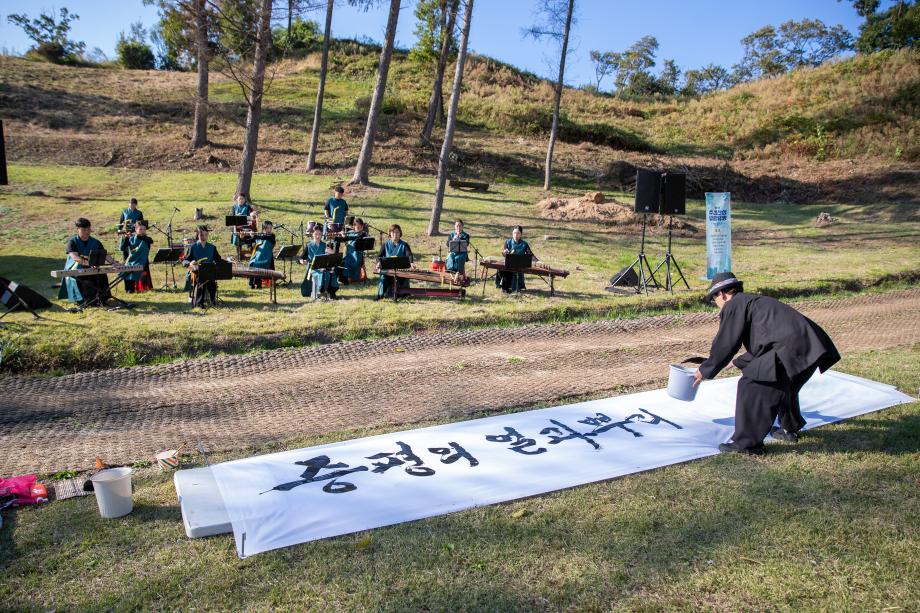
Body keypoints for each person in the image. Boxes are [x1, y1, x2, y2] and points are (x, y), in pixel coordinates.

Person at [693, 272, 841, 455]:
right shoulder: (755, 303)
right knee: (785, 385)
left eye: (713, 298)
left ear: (722, 294)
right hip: (812, 347)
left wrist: (705, 369)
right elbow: (764, 344)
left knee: (752, 384)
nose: (716, 304)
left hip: (788, 349)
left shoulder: (734, 304)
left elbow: (726, 342)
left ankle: (747, 444)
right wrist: (736, 362)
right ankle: (788, 429)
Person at [59, 217, 117, 306]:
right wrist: (89, 264)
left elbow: (104, 254)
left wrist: (114, 262)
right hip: (76, 269)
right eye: (84, 229)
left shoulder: (95, 242)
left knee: (102, 276)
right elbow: (75, 257)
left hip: (91, 267)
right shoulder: (72, 242)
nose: (87, 231)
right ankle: (88, 301)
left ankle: (103, 298)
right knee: (87, 280)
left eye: (88, 229)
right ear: (78, 229)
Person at [183, 225, 224, 307]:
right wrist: (190, 263)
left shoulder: (212, 247)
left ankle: (212, 301)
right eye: (201, 235)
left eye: (205, 234)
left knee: (212, 283)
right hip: (197, 271)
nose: (203, 237)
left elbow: (218, 260)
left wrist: (228, 263)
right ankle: (199, 302)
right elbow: (185, 261)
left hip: (209, 271)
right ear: (198, 235)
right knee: (201, 281)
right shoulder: (193, 247)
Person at [376, 224, 414, 300]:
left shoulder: (404, 245)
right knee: (384, 277)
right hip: (388, 270)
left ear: (400, 233)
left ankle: (403, 294)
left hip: (400, 270)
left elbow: (409, 255)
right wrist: (378, 262)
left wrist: (411, 262)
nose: (395, 235)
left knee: (404, 277)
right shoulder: (385, 244)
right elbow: (379, 256)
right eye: (393, 232)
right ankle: (380, 295)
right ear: (390, 233)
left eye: (397, 232)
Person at [300, 225, 338, 300]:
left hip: (323, 266)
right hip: (313, 268)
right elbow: (301, 257)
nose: (317, 236)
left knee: (331, 272)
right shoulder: (309, 245)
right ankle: (321, 290)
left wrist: (332, 252)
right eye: (316, 234)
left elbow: (332, 257)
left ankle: (331, 292)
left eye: (319, 234)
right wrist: (302, 261)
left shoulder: (324, 245)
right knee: (322, 273)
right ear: (312, 235)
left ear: (322, 235)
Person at [497, 225, 534, 293]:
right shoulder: (508, 242)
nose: (516, 235)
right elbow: (504, 254)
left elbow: (531, 255)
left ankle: (507, 287)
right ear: (512, 233)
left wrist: (539, 262)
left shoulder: (524, 244)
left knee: (510, 270)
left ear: (521, 234)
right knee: (500, 268)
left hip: (519, 265)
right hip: (508, 264)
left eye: (518, 233)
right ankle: (505, 287)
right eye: (514, 233)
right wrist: (504, 252)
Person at [123, 219, 154, 293]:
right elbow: (123, 248)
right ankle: (130, 288)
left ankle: (143, 287)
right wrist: (126, 238)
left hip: (143, 261)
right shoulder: (131, 238)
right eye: (140, 229)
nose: (142, 231)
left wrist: (136, 236)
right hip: (133, 261)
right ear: (136, 229)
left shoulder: (146, 239)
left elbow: (149, 240)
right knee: (128, 267)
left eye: (144, 229)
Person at [246, 220, 276, 289]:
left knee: (258, 264)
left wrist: (255, 236)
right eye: (268, 228)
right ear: (264, 228)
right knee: (252, 263)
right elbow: (248, 241)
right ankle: (252, 284)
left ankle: (258, 284)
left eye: (271, 228)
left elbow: (265, 237)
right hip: (257, 256)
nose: (270, 230)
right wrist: (243, 237)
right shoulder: (259, 235)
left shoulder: (272, 236)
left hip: (267, 258)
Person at [341, 217, 369, 283]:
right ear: (354, 226)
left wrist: (346, 236)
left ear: (362, 226)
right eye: (357, 226)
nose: (359, 228)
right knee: (345, 261)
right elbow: (343, 239)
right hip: (349, 254)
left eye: (360, 226)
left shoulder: (363, 234)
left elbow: (355, 237)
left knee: (355, 262)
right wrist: (340, 235)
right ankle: (348, 278)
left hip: (358, 255)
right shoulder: (350, 232)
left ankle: (355, 278)